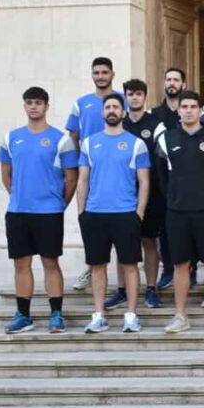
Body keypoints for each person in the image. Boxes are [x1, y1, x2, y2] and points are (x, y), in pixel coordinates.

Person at [0, 87, 78, 334]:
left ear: (46, 107)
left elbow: (71, 178)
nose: (34, 106)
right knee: (21, 263)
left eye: (38, 102)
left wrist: (59, 204)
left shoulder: (61, 139)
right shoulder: (11, 138)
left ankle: (56, 314)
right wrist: (20, 197)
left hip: (49, 212)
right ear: (24, 106)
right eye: (29, 102)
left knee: (50, 262)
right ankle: (23, 315)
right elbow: (6, 175)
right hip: (18, 212)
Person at [154, 91, 204, 333]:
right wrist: (177, 198)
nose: (188, 110)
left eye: (193, 107)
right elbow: (162, 179)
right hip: (178, 213)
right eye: (184, 106)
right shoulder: (166, 140)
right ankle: (180, 316)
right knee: (180, 265)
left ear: (200, 110)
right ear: (178, 111)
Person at [76, 93, 151, 333]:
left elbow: (144, 181)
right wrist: (81, 212)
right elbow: (82, 179)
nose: (111, 110)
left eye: (116, 107)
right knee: (97, 266)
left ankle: (131, 315)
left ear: (123, 112)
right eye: (107, 107)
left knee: (130, 265)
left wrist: (139, 212)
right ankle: (99, 315)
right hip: (95, 214)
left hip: (126, 214)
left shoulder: (136, 143)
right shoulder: (89, 143)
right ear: (102, 113)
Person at [66, 57, 121, 292]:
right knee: (91, 221)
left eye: (104, 72)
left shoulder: (121, 101)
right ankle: (92, 267)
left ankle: (125, 281)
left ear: (112, 74)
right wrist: (78, 165)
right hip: (90, 170)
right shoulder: (81, 103)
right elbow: (73, 137)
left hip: (119, 169)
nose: (100, 76)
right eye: (96, 72)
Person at [120, 79, 165, 309]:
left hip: (151, 194)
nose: (134, 97)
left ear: (145, 96)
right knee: (123, 243)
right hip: (121, 195)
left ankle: (151, 288)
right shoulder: (119, 124)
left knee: (149, 241)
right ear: (125, 97)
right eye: (130, 94)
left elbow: (162, 161)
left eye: (138, 93)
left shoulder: (156, 125)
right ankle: (122, 290)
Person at [149, 66, 187, 289]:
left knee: (188, 230)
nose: (171, 83)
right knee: (165, 229)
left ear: (183, 84)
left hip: (189, 182)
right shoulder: (154, 115)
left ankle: (190, 270)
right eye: (168, 79)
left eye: (176, 80)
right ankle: (168, 270)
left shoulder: (192, 112)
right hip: (162, 182)